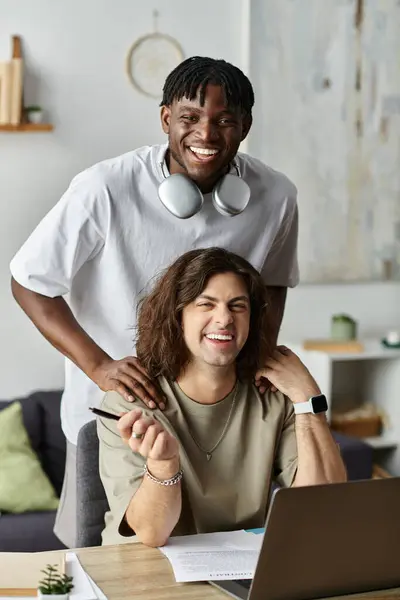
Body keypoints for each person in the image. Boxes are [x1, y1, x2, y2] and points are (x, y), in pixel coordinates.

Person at [10, 56, 299, 548]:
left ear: (245, 126)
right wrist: (99, 366)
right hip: (121, 414)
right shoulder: (104, 188)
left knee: (214, 553)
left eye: (225, 120)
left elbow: (271, 283)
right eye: (189, 118)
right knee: (112, 556)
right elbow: (29, 280)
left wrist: (261, 356)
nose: (205, 134)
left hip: (220, 412)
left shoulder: (275, 195)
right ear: (167, 119)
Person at [98, 248, 346, 547]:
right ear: (178, 316)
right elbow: (151, 534)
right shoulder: (131, 400)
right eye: (206, 304)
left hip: (238, 567)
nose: (224, 318)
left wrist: (309, 399)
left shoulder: (275, 397)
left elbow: (320, 507)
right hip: (142, 568)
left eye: (237, 306)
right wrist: (163, 464)